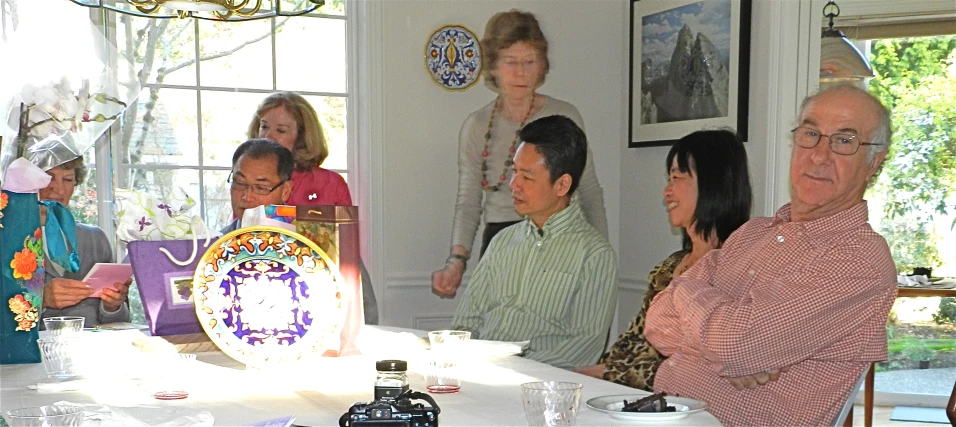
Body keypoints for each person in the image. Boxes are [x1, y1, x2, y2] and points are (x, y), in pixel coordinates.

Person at [644, 85, 897, 426]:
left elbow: (734, 347)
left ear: (874, 162)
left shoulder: (859, 258)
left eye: (844, 140)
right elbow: (656, 325)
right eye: (811, 134)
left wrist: (685, 290)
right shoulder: (753, 233)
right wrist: (722, 350)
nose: (819, 155)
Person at [432, 10, 608, 299]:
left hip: (560, 240)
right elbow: (469, 202)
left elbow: (589, 192)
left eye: (530, 62)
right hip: (500, 242)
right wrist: (457, 261)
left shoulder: (564, 115)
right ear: (494, 68)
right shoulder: (476, 126)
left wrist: (602, 257)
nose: (521, 72)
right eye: (510, 62)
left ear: (542, 67)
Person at [574, 129, 752, 391]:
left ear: (712, 183)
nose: (666, 192)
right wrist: (584, 375)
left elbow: (697, 363)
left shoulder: (742, 267)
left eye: (676, 178)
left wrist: (606, 375)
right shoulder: (669, 267)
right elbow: (629, 345)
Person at [450, 115, 617, 370]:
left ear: (562, 184)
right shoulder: (502, 241)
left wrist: (513, 370)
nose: (513, 185)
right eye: (514, 172)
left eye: (527, 177)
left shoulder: (594, 254)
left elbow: (583, 348)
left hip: (541, 387)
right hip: (481, 374)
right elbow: (465, 323)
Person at [40, 156, 131, 328]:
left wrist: (113, 306)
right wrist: (40, 300)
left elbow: (120, 322)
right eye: (48, 178)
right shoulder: (8, 238)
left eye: (67, 180)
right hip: (32, 351)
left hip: (93, 347)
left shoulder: (95, 239)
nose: (58, 189)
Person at [246, 91, 351, 206]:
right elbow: (241, 222)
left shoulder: (331, 184)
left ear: (301, 136)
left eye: (281, 130)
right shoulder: (247, 180)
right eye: (264, 127)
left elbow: (348, 224)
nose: (267, 137)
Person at [221, 138, 295, 234]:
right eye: (240, 182)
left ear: (285, 191)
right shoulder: (217, 245)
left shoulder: (306, 244)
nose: (247, 197)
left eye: (261, 187)